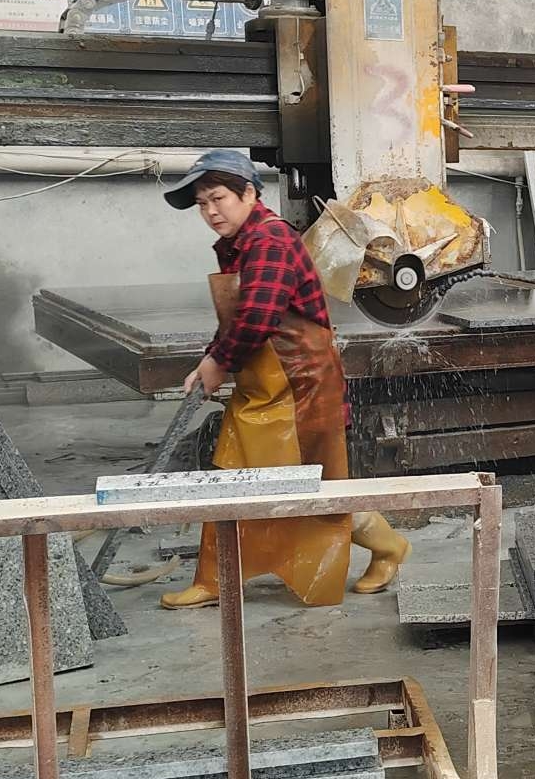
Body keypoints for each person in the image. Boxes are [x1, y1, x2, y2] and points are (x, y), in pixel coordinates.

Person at [155, 150, 409, 609]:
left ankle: (389, 547)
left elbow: (257, 317)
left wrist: (219, 362)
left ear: (249, 193)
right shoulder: (237, 244)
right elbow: (237, 319)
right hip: (264, 389)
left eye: (218, 198)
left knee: (316, 489)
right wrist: (211, 357)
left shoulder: (270, 240)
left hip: (302, 389)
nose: (210, 212)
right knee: (235, 476)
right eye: (202, 204)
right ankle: (215, 578)